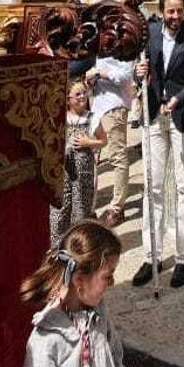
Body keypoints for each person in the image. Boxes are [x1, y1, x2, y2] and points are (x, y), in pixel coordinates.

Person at [132, 0, 184, 288]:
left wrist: (178, 99)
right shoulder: (149, 33)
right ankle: (152, 255)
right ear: (162, 12)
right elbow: (143, 70)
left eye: (179, 11)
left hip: (182, 117)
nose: (175, 16)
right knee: (153, 186)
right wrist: (139, 72)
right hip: (154, 115)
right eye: (170, 11)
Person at [19, 220, 129, 367]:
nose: (112, 282)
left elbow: (117, 364)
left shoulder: (100, 314)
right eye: (108, 276)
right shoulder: (47, 341)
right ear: (79, 280)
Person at [50, 79, 106, 250]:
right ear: (68, 99)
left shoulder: (92, 117)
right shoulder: (60, 117)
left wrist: (88, 142)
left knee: (81, 208)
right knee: (61, 209)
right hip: (63, 171)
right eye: (78, 94)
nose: (82, 96)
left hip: (84, 173)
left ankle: (80, 249)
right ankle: (57, 249)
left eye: (84, 93)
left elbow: (104, 140)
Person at [86, 50, 136, 228]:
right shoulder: (100, 44)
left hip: (114, 107)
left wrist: (100, 73)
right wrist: (91, 78)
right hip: (98, 107)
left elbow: (126, 74)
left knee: (117, 157)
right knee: (91, 156)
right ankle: (88, 206)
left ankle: (117, 208)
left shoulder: (123, 44)